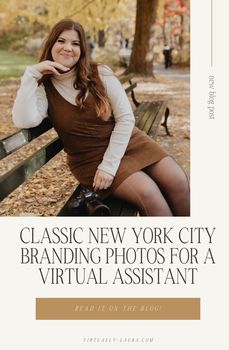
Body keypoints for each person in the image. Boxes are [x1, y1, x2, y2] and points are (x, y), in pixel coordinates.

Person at [12, 19, 190, 216]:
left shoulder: (100, 73)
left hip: (128, 142)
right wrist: (31, 74)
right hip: (91, 159)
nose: (68, 48)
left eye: (75, 43)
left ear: (82, 49)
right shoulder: (45, 88)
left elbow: (125, 119)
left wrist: (110, 165)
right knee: (149, 195)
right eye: (61, 41)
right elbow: (24, 121)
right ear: (51, 44)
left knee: (178, 180)